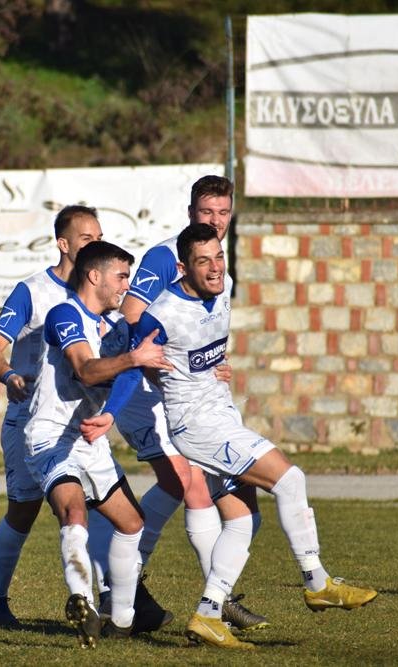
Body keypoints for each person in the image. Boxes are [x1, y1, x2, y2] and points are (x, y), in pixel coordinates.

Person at [83, 224, 377, 650]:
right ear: (183, 266)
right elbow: (134, 365)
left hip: (222, 413)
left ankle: (209, 613)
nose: (215, 268)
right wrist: (110, 413)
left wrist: (218, 364)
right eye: (203, 262)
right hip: (197, 426)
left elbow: (205, 346)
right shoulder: (160, 315)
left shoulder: (223, 289)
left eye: (219, 257)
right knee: (289, 479)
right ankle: (317, 581)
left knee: (243, 518)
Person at [113, 174, 269, 633]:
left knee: (194, 488)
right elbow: (133, 318)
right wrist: (157, 362)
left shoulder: (219, 267)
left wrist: (216, 362)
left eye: (222, 213)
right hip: (148, 391)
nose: (216, 221)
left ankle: (127, 581)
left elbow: (204, 332)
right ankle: (218, 603)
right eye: (206, 213)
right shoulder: (166, 256)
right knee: (190, 483)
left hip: (190, 394)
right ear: (190, 213)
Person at [24, 240, 170, 647]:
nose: (127, 285)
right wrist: (134, 359)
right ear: (94, 276)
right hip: (52, 436)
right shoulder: (64, 314)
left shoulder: (113, 328)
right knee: (73, 509)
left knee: (132, 523)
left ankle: (121, 618)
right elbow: (87, 371)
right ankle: (81, 597)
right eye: (121, 276)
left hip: (91, 439)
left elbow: (129, 373)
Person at [0, 205, 104, 628]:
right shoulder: (32, 291)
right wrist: (10, 374)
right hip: (31, 422)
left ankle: (113, 602)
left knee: (101, 510)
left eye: (99, 236)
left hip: (80, 426)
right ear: (64, 244)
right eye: (86, 238)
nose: (95, 244)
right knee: (24, 511)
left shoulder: (101, 294)